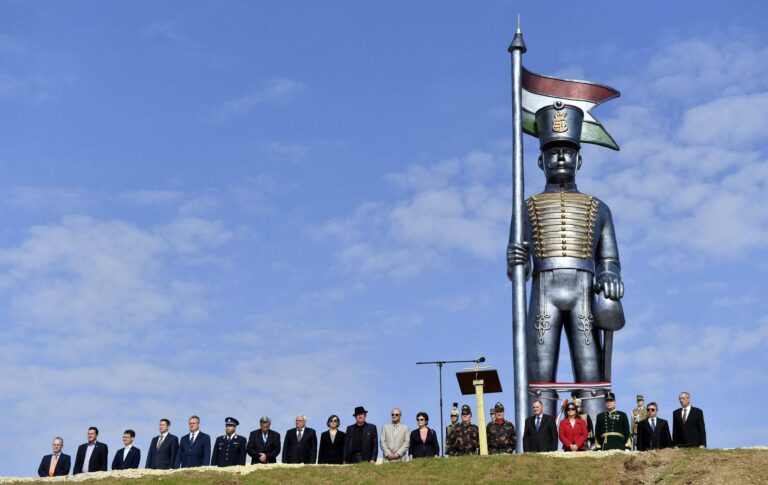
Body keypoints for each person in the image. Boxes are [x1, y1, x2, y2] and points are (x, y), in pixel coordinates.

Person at [507, 100, 625, 422]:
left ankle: (598, 431)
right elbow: (518, 267)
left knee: (590, 370)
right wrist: (517, 260)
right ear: (540, 161)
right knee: (539, 374)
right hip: (543, 290)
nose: (560, 158)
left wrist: (609, 275)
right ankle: (538, 433)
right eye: (553, 153)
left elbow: (609, 259)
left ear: (579, 159)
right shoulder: (525, 208)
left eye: (568, 152)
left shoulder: (599, 208)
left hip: (583, 291)